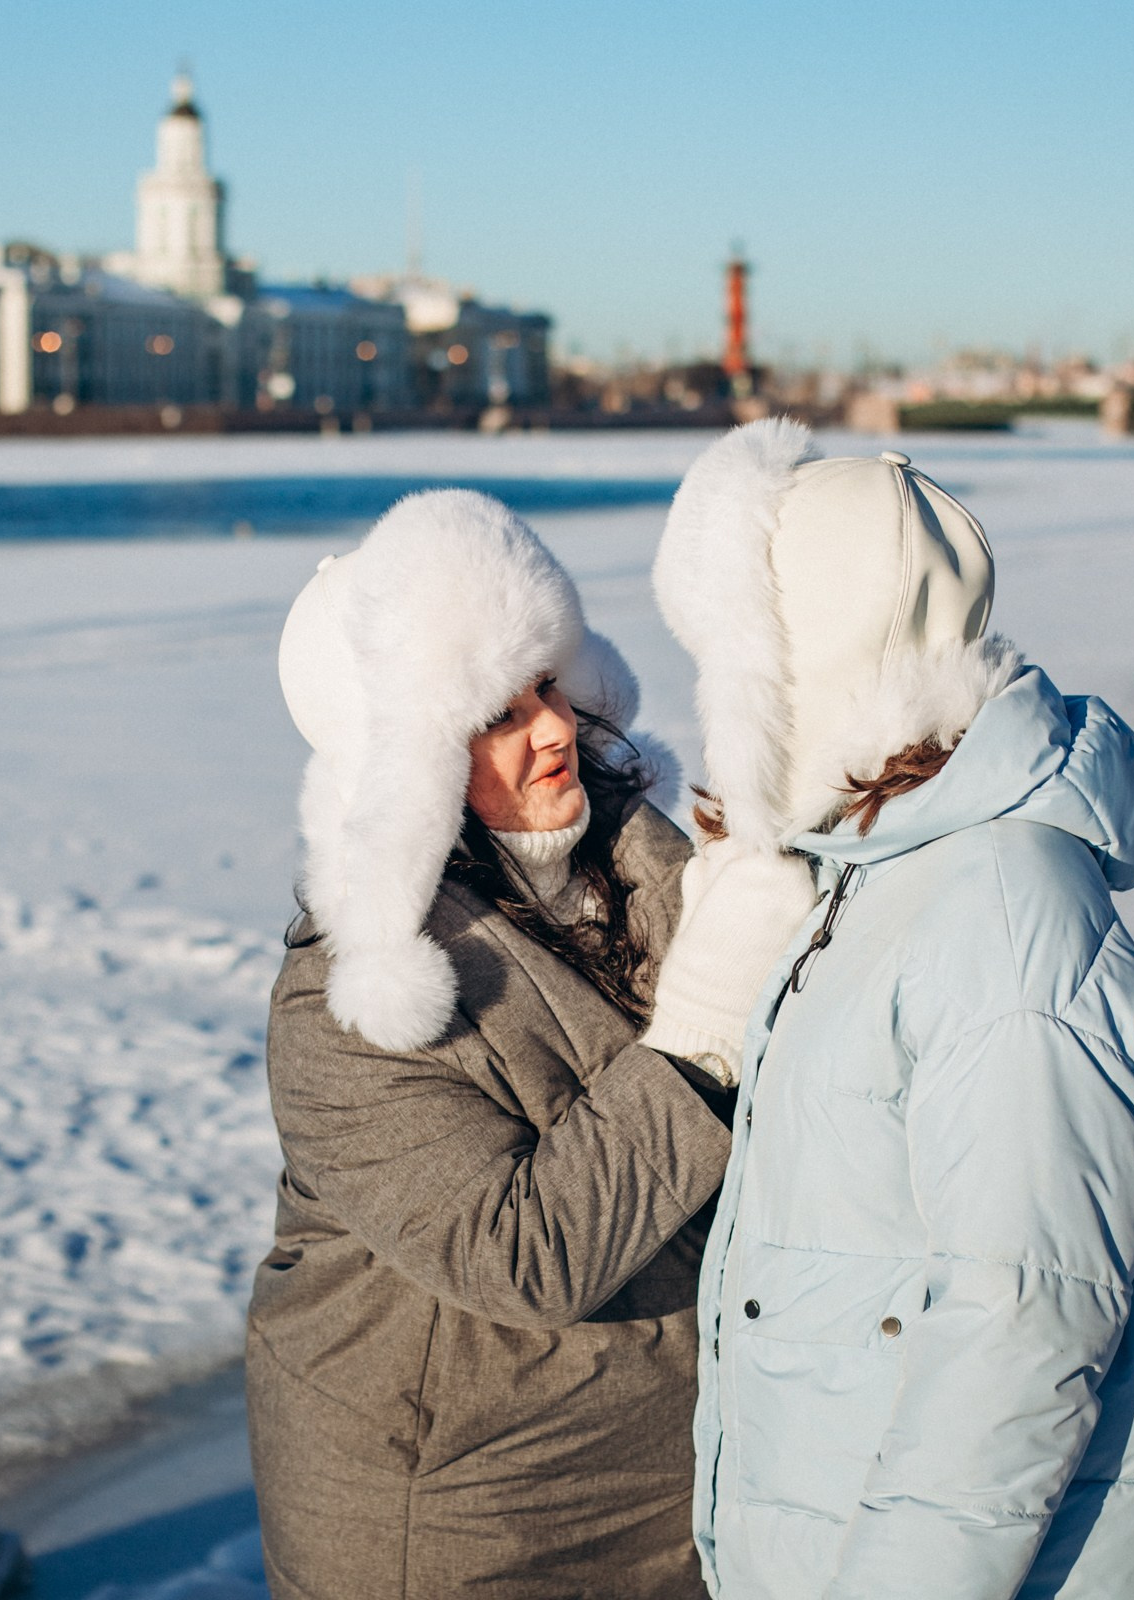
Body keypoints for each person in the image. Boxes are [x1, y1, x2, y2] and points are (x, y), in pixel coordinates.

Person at [655, 421, 1134, 1599]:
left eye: (734, 663)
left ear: (814, 658)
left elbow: (1020, 1333)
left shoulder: (1001, 915)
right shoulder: (877, 869)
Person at [247, 488, 818, 1599]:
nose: (553, 728)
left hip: (671, 1468)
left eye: (548, 682)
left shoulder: (639, 857)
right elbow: (522, 1256)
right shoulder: (342, 1007)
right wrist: (701, 1038)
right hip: (464, 1518)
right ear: (403, 762)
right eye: (495, 713)